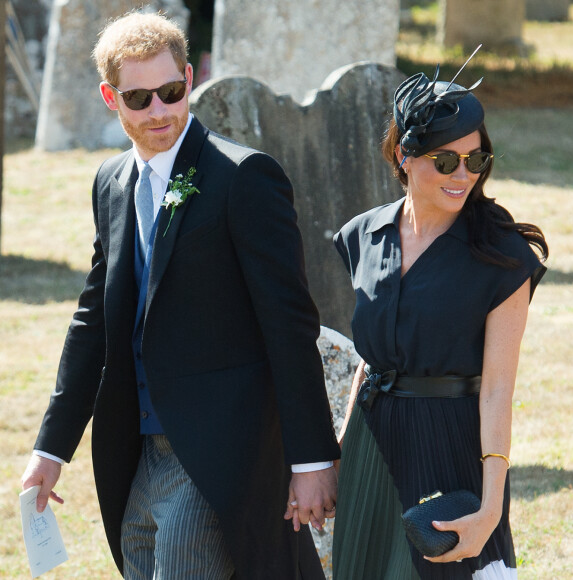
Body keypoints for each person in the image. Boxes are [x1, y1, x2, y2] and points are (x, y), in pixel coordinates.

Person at [21, 11, 340, 580]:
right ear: (109, 97)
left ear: (189, 78)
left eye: (171, 91)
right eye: (138, 98)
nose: (159, 111)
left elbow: (290, 326)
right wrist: (51, 449)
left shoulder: (244, 178)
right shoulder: (111, 183)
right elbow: (94, 319)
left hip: (221, 451)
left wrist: (312, 459)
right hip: (137, 453)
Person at [331, 66, 548, 579]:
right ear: (404, 157)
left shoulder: (503, 257)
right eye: (446, 159)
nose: (463, 175)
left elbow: (497, 389)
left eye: (476, 160)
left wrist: (491, 506)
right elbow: (371, 356)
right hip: (372, 442)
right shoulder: (363, 234)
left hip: (451, 444)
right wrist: (340, 454)